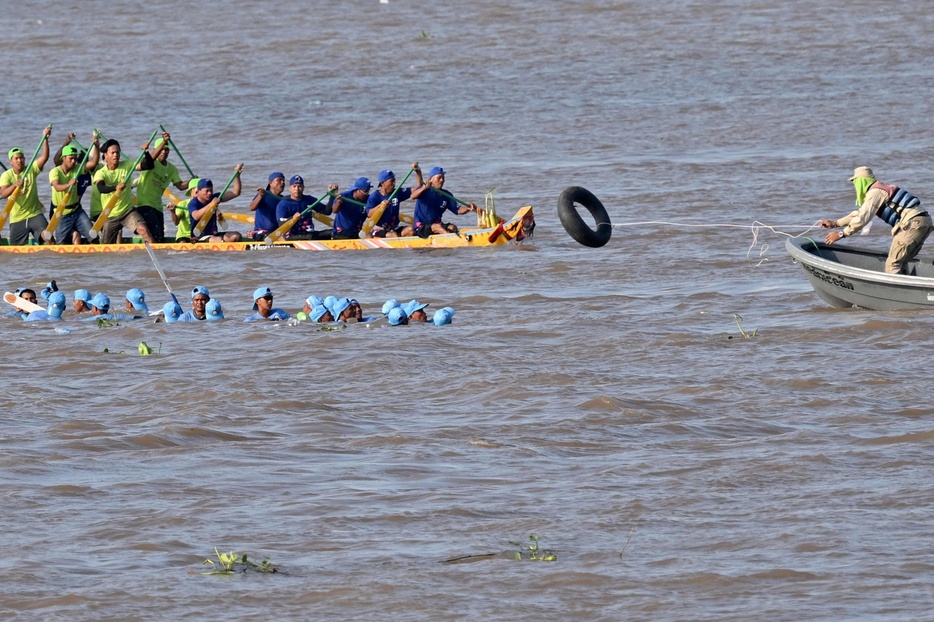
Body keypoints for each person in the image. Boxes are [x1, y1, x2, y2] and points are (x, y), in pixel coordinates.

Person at [821, 166, 934, 274]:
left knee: (892, 265)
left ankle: (894, 293)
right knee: (901, 262)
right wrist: (835, 223)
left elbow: (863, 218)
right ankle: (908, 291)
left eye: (855, 181)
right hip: (924, 222)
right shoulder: (879, 190)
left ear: (861, 181)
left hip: (912, 223)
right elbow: (859, 214)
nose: (854, 185)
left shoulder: (875, 192)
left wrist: (842, 234)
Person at [93, 137, 156, 244]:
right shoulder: (101, 172)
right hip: (110, 215)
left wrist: (146, 152)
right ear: (105, 156)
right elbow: (101, 189)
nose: (115, 155)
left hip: (128, 211)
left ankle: (156, 255)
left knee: (144, 230)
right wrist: (115, 187)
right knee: (105, 247)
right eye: (112, 153)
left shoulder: (127, 165)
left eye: (117, 152)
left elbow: (149, 165)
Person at [0, 126, 52, 245]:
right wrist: (15, 185)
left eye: (21, 158)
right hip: (17, 218)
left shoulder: (31, 169)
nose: (20, 161)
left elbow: (45, 157)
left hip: (34, 214)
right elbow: (3, 194)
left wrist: (45, 138)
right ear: (11, 161)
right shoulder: (6, 176)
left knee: (49, 238)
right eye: (16, 158)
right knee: (15, 251)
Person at [135, 131, 190, 243]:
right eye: (162, 149)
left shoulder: (172, 169)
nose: (164, 152)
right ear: (157, 150)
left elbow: (180, 186)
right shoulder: (150, 162)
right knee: (154, 234)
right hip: (144, 204)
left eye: (167, 149)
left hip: (158, 206)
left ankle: (156, 254)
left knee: (160, 237)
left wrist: (192, 181)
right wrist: (164, 141)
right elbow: (152, 157)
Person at [48, 132, 100, 244]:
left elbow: (94, 162)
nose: (73, 161)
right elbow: (57, 187)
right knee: (61, 245)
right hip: (61, 213)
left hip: (77, 211)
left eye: (75, 159)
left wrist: (96, 145)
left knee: (94, 236)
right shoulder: (54, 172)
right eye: (71, 158)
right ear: (63, 158)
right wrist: (68, 185)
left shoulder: (77, 168)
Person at [410, 166, 478, 236]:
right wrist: (424, 188)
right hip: (421, 227)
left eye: (443, 178)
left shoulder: (446, 195)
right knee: (437, 227)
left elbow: (458, 210)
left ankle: (452, 239)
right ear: (431, 180)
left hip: (437, 225)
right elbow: (412, 196)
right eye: (439, 178)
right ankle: (452, 239)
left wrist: (468, 208)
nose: (442, 180)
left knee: (452, 228)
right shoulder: (423, 190)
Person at [274, 175, 337, 240]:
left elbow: (326, 211)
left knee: (335, 232)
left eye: (299, 186)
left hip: (309, 234)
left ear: (303, 188)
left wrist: (332, 196)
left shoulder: (309, 200)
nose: (297, 189)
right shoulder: (283, 203)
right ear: (290, 188)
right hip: (291, 236)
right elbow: (280, 224)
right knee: (311, 237)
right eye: (294, 186)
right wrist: (293, 218)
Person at [187, 170, 243, 242]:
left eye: (211, 190)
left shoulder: (214, 197)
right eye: (207, 191)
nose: (209, 193)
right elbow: (196, 216)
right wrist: (211, 204)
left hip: (214, 234)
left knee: (236, 236)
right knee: (218, 240)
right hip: (198, 236)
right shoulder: (193, 203)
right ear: (198, 191)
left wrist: (237, 176)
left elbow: (235, 193)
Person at [366, 166, 420, 238]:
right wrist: (381, 206)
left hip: (394, 227)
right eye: (391, 181)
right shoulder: (374, 196)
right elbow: (369, 214)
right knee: (393, 235)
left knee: (411, 230)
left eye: (394, 180)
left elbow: (417, 189)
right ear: (383, 183)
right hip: (379, 229)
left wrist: (418, 172)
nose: (394, 184)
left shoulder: (397, 192)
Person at [248, 172, 286, 239]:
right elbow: (251, 207)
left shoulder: (283, 199)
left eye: (283, 180)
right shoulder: (264, 195)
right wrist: (260, 196)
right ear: (270, 183)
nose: (282, 182)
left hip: (277, 233)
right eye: (279, 180)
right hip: (262, 233)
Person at [170, 178, 198, 243]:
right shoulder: (182, 204)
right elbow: (176, 222)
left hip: (197, 235)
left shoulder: (205, 205)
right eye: (197, 191)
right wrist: (172, 211)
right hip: (183, 236)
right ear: (191, 191)